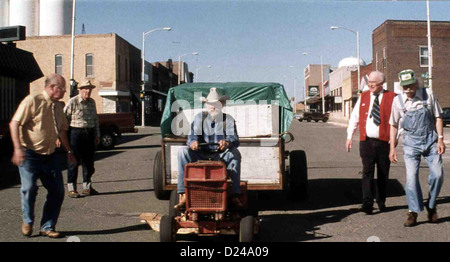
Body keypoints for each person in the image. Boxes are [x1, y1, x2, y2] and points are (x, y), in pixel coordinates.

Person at [9, 74, 76, 238]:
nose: (64, 92)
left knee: (58, 191)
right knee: (29, 188)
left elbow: (62, 131)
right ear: (53, 87)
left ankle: (47, 226)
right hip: (29, 154)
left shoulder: (59, 107)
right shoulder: (33, 100)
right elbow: (14, 123)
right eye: (63, 89)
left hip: (50, 155)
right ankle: (27, 221)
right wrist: (17, 149)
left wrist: (69, 152)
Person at [389, 69, 445, 227]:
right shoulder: (398, 101)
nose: (408, 89)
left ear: (416, 83)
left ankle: (431, 205)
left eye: (411, 85)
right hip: (411, 143)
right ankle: (413, 211)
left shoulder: (428, 94)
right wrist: (392, 148)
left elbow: (438, 117)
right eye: (405, 87)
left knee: (438, 175)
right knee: (411, 180)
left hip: (431, 141)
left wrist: (440, 140)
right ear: (401, 86)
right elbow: (393, 125)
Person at [176, 88, 242, 209]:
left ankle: (234, 194)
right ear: (206, 105)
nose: (213, 107)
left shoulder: (228, 119)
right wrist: (193, 142)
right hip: (200, 154)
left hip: (220, 155)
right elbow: (192, 137)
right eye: (210, 104)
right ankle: (183, 193)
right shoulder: (199, 118)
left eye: (216, 104)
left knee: (235, 154)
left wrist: (227, 142)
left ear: (222, 105)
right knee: (182, 152)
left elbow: (234, 139)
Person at [346, 71, 397, 214]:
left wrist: (395, 140)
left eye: (374, 82)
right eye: (369, 81)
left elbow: (400, 121)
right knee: (367, 172)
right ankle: (367, 204)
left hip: (384, 143)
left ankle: (381, 201)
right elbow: (354, 118)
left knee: (383, 173)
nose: (370, 84)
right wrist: (350, 136)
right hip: (366, 142)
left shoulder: (392, 97)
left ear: (382, 84)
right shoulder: (363, 96)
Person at [64, 80, 100, 198]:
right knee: (73, 162)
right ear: (80, 89)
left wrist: (97, 134)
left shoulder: (92, 102)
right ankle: (71, 188)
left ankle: (87, 187)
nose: (88, 91)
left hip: (89, 133)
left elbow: (95, 120)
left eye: (90, 89)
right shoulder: (73, 101)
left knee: (88, 162)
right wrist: (61, 135)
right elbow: (64, 118)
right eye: (85, 89)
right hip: (76, 133)